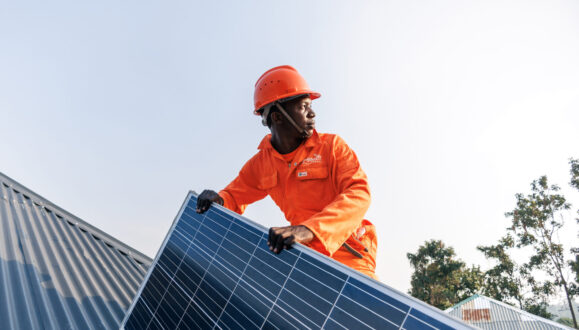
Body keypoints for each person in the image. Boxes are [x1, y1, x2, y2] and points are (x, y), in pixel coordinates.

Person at [196, 65, 377, 279]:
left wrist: (310, 230)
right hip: (306, 256)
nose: (312, 113)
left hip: (350, 253)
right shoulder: (262, 164)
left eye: (310, 105)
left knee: (358, 306)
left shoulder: (332, 147)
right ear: (277, 117)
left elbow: (359, 193)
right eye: (303, 106)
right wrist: (217, 201)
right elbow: (234, 196)